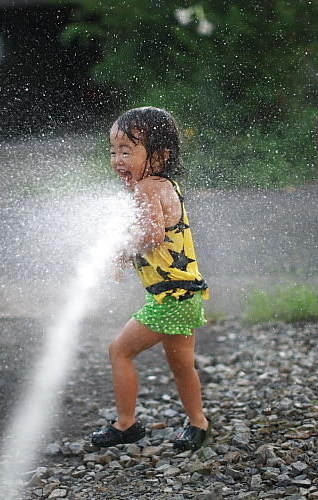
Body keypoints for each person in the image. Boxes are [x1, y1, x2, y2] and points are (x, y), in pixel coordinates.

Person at [91, 106, 211, 451]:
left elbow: (153, 235)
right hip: (183, 294)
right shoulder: (162, 184)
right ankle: (198, 423)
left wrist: (119, 248)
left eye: (127, 150)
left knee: (119, 351)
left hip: (171, 298)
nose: (117, 159)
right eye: (113, 151)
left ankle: (126, 425)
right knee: (181, 365)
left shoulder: (147, 187)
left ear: (159, 155)